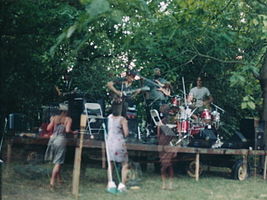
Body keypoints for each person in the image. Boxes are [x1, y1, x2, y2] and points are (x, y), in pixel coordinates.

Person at [44, 104, 78, 189]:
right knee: (58, 162)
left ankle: (59, 180)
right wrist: (73, 132)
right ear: (66, 111)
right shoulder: (68, 119)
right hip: (60, 140)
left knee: (57, 161)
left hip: (52, 139)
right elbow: (67, 130)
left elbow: (48, 129)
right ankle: (52, 182)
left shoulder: (55, 118)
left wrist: (51, 121)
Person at [106, 104, 129, 193]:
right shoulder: (122, 120)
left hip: (110, 142)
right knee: (124, 164)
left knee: (110, 164)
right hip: (119, 143)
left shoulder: (109, 117)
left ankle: (110, 183)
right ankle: (122, 185)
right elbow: (126, 133)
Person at [157, 105, 176, 190]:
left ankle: (165, 184)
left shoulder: (161, 122)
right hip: (168, 145)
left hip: (163, 144)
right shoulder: (173, 121)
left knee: (165, 165)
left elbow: (158, 135)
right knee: (169, 165)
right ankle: (168, 184)